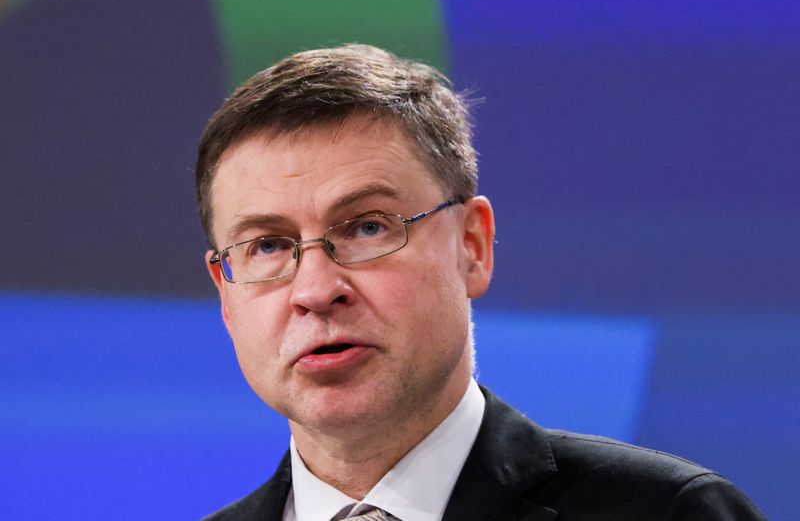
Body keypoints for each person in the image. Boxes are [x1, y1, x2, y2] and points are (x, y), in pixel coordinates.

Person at [196, 44, 765, 520]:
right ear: (225, 294)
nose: (317, 290)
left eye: (368, 227)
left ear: (472, 246)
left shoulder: (670, 512)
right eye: (267, 246)